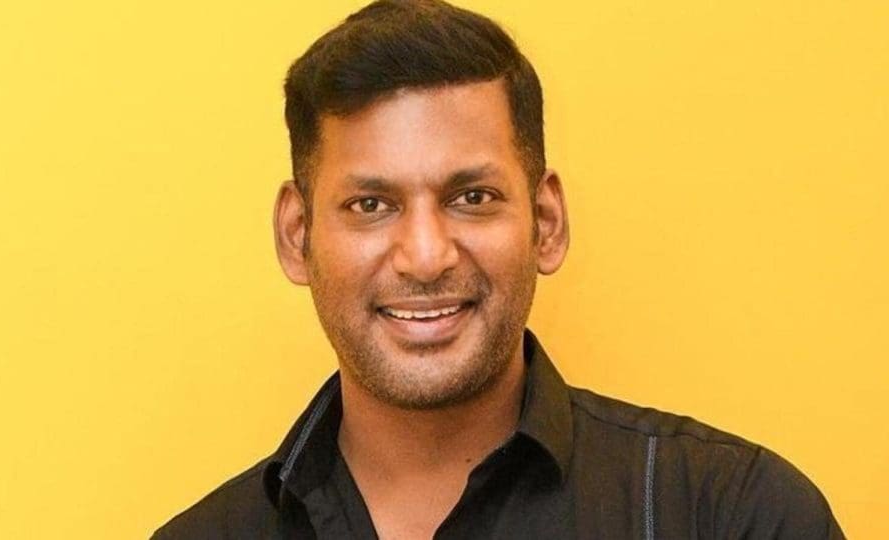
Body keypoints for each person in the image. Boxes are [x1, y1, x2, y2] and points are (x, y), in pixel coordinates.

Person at [152, 1, 844, 538]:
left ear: (547, 222)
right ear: (296, 235)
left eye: (472, 198)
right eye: (370, 205)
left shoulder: (733, 517)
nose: (426, 256)